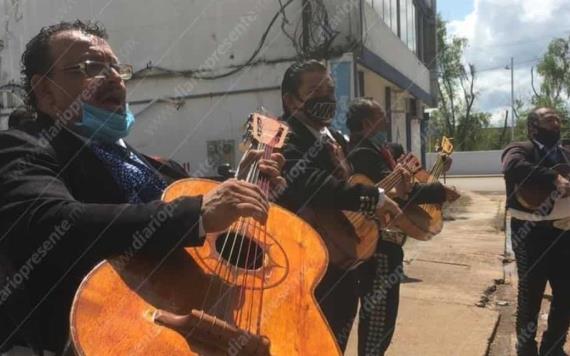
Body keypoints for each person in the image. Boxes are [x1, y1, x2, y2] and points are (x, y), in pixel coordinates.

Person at [0, 20, 285, 355]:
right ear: (45, 91)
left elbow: (202, 226)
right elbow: (53, 221)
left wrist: (247, 187)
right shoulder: (24, 147)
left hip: (185, 331)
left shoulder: (155, 165)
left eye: (116, 67)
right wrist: (199, 213)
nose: (112, 77)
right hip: (92, 338)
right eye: (91, 67)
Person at [275, 61, 402, 352]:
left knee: (338, 337)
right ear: (291, 99)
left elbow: (350, 181)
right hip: (307, 264)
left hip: (343, 258)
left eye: (330, 90)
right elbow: (309, 181)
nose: (326, 98)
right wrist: (374, 197)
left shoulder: (334, 137)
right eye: (314, 91)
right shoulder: (278, 134)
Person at [345, 97, 458, 355]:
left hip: (386, 246)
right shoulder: (363, 152)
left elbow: (406, 185)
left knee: (382, 321)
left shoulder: (379, 151)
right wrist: (438, 192)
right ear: (366, 124)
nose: (385, 120)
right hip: (379, 248)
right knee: (377, 322)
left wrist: (435, 173)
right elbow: (396, 192)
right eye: (379, 116)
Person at [502, 107, 570, 356]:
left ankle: (553, 346)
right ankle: (526, 348)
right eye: (549, 119)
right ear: (533, 127)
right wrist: (553, 177)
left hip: (564, 233)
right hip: (530, 235)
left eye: (558, 120)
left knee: (566, 294)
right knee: (531, 295)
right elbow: (513, 167)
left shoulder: (565, 152)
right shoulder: (520, 149)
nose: (556, 123)